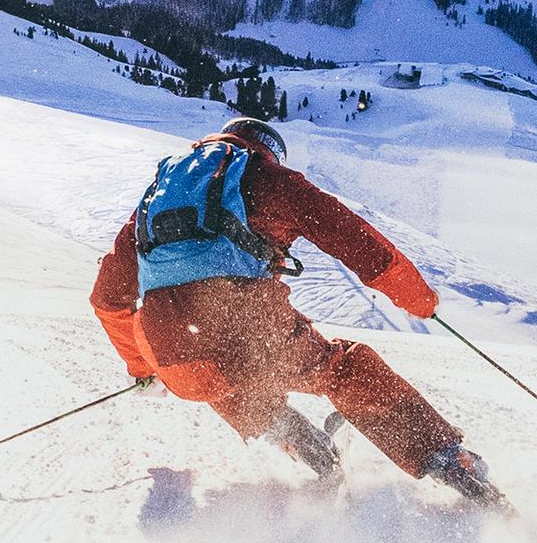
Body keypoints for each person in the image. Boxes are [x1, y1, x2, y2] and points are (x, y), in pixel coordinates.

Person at [92, 115, 500, 505]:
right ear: (269, 152)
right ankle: (445, 458)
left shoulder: (158, 200)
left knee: (214, 373)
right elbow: (351, 236)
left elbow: (107, 298)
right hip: (242, 322)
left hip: (168, 353)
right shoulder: (266, 178)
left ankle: (297, 439)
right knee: (341, 369)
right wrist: (417, 298)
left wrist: (144, 369)